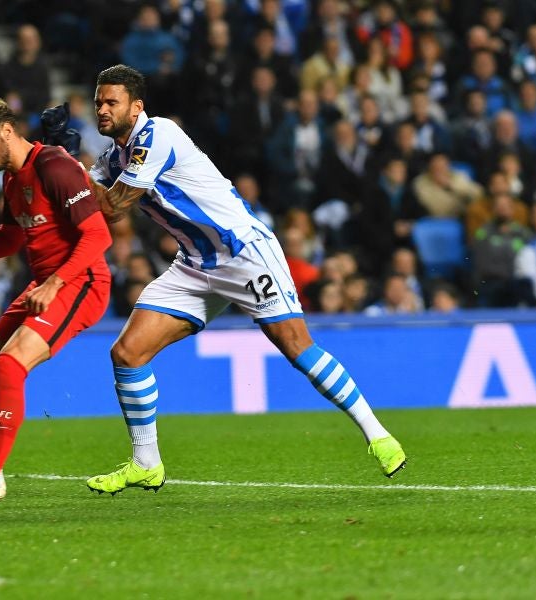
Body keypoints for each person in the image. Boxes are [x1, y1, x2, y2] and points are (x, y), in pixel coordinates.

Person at [84, 64, 406, 495]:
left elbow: (110, 205)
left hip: (244, 253)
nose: (102, 109)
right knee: (127, 352)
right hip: (195, 265)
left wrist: (70, 170)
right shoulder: (114, 156)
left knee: (296, 348)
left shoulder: (157, 135)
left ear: (136, 106)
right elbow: (79, 197)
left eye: (111, 102)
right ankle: (147, 463)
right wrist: (59, 158)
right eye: (98, 102)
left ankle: (378, 435)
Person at [0, 96, 112, 510]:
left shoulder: (55, 167)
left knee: (10, 365)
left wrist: (55, 282)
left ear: (6, 132)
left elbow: (99, 235)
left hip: (80, 283)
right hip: (44, 284)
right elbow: (8, 240)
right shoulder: (12, 178)